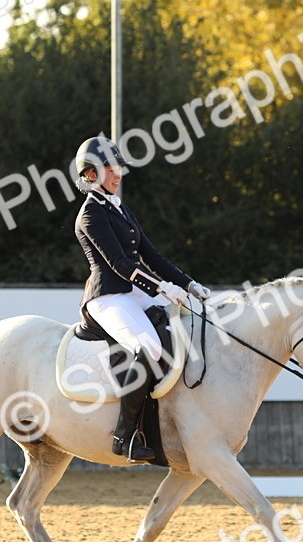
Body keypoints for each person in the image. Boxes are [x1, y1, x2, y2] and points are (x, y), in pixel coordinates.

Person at [73, 135, 211, 462]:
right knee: (147, 345)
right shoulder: (90, 215)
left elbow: (153, 257)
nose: (117, 174)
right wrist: (163, 289)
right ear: (91, 174)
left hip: (132, 291)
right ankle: (125, 435)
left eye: (118, 167)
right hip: (107, 296)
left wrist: (189, 285)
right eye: (109, 168)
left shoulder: (121, 209)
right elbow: (121, 265)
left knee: (180, 327)